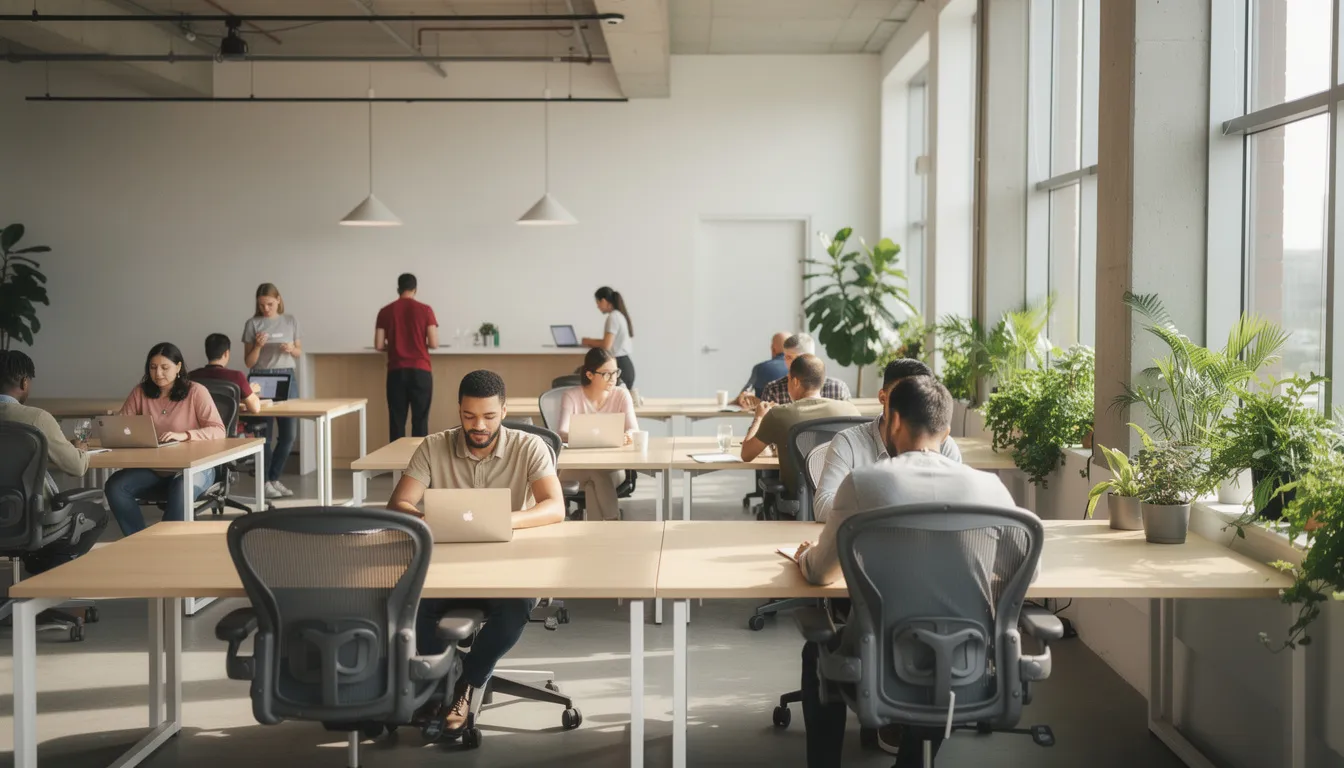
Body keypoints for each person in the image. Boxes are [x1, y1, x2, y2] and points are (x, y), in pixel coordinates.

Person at [793, 375, 1017, 768]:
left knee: (818, 652)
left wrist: (805, 556)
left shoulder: (864, 484)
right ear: (947, 428)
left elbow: (819, 574)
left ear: (893, 420)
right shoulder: (992, 490)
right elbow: (1024, 571)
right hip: (966, 664)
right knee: (936, 673)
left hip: (877, 662)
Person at [386, 370, 565, 736]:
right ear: (459, 411)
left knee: (516, 605)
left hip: (508, 566)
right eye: (469, 416)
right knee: (416, 600)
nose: (478, 425)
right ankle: (438, 681)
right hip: (447, 566)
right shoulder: (434, 446)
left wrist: (504, 520)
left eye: (489, 416)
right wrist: (426, 518)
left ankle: (466, 682)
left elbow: (554, 506)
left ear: (504, 411)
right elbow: (399, 503)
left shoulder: (529, 446)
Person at [812, 359, 961, 524]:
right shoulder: (849, 442)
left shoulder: (944, 444)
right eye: (902, 398)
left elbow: (957, 506)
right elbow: (823, 506)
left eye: (921, 399)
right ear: (883, 397)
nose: (912, 408)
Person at [0, 350, 109, 573]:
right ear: (24, 382)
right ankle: (47, 574)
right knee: (98, 515)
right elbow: (76, 467)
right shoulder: (36, 418)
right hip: (31, 516)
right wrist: (79, 450)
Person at [105, 343, 227, 536]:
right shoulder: (140, 392)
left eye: (164, 367)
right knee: (115, 487)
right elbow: (123, 426)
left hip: (193, 469)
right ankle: (139, 540)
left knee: (182, 487)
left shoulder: (196, 391)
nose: (158, 373)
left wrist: (185, 435)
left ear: (178, 367)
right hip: (154, 469)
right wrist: (114, 425)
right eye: (153, 367)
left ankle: (166, 543)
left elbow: (219, 430)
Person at [740, 354, 860, 497]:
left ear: (795, 381)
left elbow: (746, 454)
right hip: (841, 498)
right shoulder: (850, 411)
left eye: (788, 379)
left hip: (797, 498)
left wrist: (759, 417)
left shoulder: (778, 414)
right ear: (822, 381)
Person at [555, 348, 638, 521]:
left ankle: (602, 529)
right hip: (576, 468)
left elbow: (633, 430)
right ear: (590, 375)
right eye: (607, 374)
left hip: (613, 468)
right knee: (596, 475)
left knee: (596, 478)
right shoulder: (571, 396)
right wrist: (593, 436)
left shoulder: (621, 395)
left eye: (615, 372)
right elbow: (561, 433)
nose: (613, 378)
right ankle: (612, 521)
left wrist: (626, 436)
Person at [243, 283, 301, 499]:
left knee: (289, 435)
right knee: (263, 435)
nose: (265, 308)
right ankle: (265, 481)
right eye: (261, 305)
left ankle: (274, 478)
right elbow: (249, 362)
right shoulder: (252, 323)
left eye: (269, 304)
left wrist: (291, 349)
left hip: (287, 376)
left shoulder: (290, 321)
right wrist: (258, 346)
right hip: (261, 378)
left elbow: (299, 352)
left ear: (278, 300)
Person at [375, 273, 439, 441]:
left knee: (397, 421)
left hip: (396, 372)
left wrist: (395, 345)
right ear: (415, 289)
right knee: (420, 421)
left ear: (398, 288)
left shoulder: (385, 311)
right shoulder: (426, 310)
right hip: (421, 371)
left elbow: (379, 345)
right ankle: (419, 458)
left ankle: (397, 459)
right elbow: (433, 343)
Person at [757, 333, 851, 405]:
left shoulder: (838, 389)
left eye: (795, 358)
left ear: (811, 357)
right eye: (787, 357)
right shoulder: (773, 390)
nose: (790, 363)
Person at [189, 333, 262, 419]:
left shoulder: (191, 377)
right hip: (227, 427)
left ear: (207, 352)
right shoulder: (237, 376)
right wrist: (250, 391)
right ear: (226, 353)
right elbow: (255, 408)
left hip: (200, 427)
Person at [581, 286, 635, 387]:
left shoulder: (613, 317)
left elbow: (606, 345)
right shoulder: (619, 315)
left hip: (620, 366)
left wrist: (588, 341)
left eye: (598, 302)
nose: (597, 306)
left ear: (604, 301)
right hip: (624, 365)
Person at [734, 332, 790, 408]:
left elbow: (743, 397)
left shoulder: (760, 368)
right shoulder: (800, 369)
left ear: (773, 349)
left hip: (766, 414)